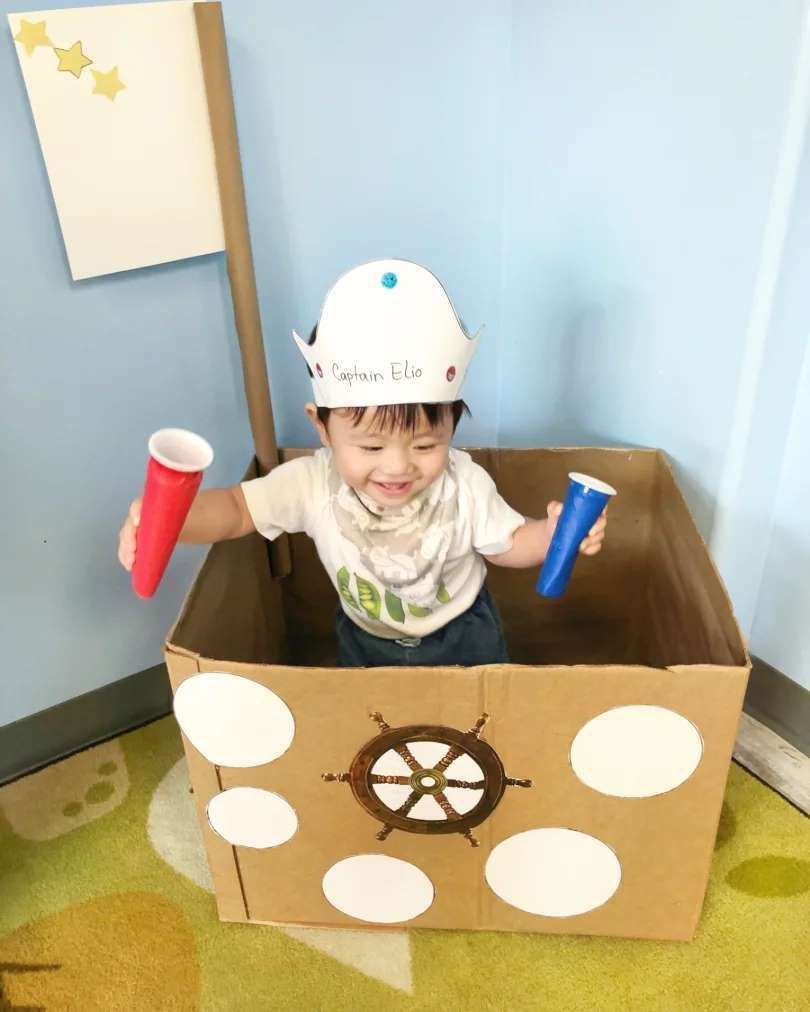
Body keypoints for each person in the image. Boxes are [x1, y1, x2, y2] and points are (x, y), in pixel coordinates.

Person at [118, 259, 607, 666]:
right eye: (371, 448)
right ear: (322, 427)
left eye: (424, 445)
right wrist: (168, 518)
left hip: (465, 634)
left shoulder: (465, 482)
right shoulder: (311, 483)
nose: (397, 467)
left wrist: (551, 534)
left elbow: (506, 544)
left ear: (452, 428)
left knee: (474, 730)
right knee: (375, 732)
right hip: (365, 640)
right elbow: (236, 511)